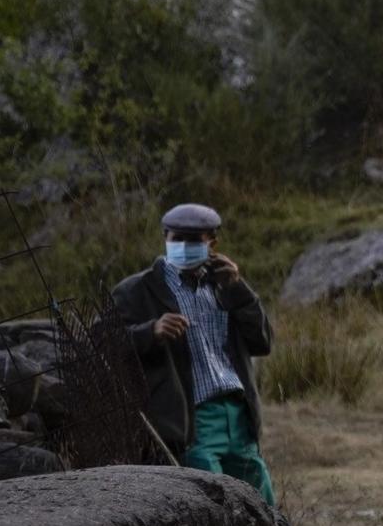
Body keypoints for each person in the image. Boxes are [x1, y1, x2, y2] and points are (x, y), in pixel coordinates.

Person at [112, 202, 276, 502]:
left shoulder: (224, 285)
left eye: (194, 240)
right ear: (165, 237)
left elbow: (262, 341)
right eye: (177, 239)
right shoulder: (137, 290)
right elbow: (104, 346)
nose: (184, 246)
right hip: (190, 417)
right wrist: (151, 332)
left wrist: (239, 290)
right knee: (210, 503)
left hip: (238, 413)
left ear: (212, 242)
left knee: (261, 506)